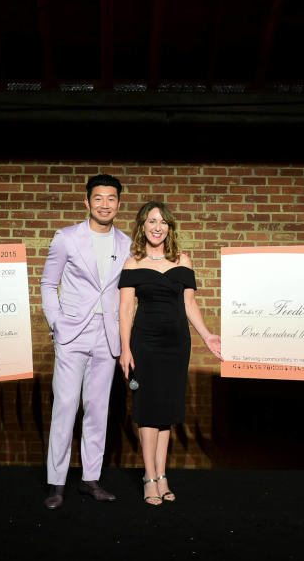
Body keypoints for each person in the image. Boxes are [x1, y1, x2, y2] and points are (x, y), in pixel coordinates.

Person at [117, 201, 222, 506]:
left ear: (169, 227)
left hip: (177, 344)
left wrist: (207, 336)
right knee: (148, 410)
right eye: (151, 221)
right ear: (142, 226)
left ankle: (162, 475)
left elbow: (190, 305)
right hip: (145, 343)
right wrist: (125, 349)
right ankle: (149, 476)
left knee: (167, 412)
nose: (157, 227)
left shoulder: (184, 261)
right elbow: (125, 309)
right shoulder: (133, 264)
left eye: (163, 222)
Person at [40, 174, 132, 509]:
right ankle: (56, 484)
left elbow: (126, 294)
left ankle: (90, 479)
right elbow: (48, 285)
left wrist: (125, 337)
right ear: (87, 202)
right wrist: (57, 325)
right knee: (65, 407)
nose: (105, 204)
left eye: (111, 198)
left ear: (119, 204)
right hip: (72, 333)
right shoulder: (65, 238)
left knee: (97, 409)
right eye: (98, 198)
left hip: (107, 336)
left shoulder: (126, 243)